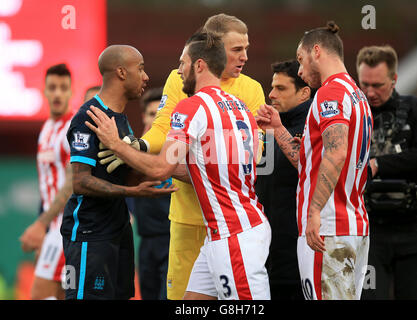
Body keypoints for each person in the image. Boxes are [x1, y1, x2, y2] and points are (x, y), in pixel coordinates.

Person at [86, 32, 271, 300]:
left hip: (234, 235)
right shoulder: (239, 106)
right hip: (231, 229)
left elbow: (162, 169)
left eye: (182, 63)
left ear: (199, 65)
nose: (178, 71)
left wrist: (118, 145)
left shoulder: (189, 107)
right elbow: (209, 170)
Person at [257, 21, 372, 300]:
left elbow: (336, 152)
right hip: (353, 225)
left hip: (329, 228)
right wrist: (279, 131)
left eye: (300, 59)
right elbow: (316, 164)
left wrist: (314, 211)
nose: (299, 70)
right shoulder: (357, 95)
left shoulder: (330, 93)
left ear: (316, 52)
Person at [60, 45, 177, 300]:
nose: (146, 77)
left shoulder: (120, 120)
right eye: (141, 68)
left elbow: (121, 174)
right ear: (122, 72)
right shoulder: (88, 117)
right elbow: (80, 182)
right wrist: (133, 192)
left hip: (118, 230)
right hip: (90, 232)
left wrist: (155, 173)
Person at [356, 45, 417, 300]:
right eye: (364, 84)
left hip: (412, 228)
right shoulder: (354, 114)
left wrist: (378, 165)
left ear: (394, 80)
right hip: (369, 232)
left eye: (378, 85)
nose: (370, 92)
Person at [255, 59, 312, 300]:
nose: (271, 94)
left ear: (304, 93)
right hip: (268, 247)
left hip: (301, 247)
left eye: (281, 88)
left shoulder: (314, 126)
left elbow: (310, 169)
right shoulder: (268, 126)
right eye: (272, 87)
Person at [19, 63, 74, 300]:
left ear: (71, 91)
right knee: (63, 295)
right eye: (52, 87)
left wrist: (41, 225)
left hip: (66, 229)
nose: (58, 93)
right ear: (44, 91)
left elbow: (73, 183)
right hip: (53, 229)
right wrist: (44, 227)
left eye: (63, 87)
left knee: (39, 295)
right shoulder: (46, 129)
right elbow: (47, 187)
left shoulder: (71, 129)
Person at [132, 87, 171, 300]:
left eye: (160, 116)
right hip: (146, 242)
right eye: (151, 115)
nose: (155, 121)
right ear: (143, 117)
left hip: (173, 240)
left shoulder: (177, 153)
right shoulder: (133, 155)